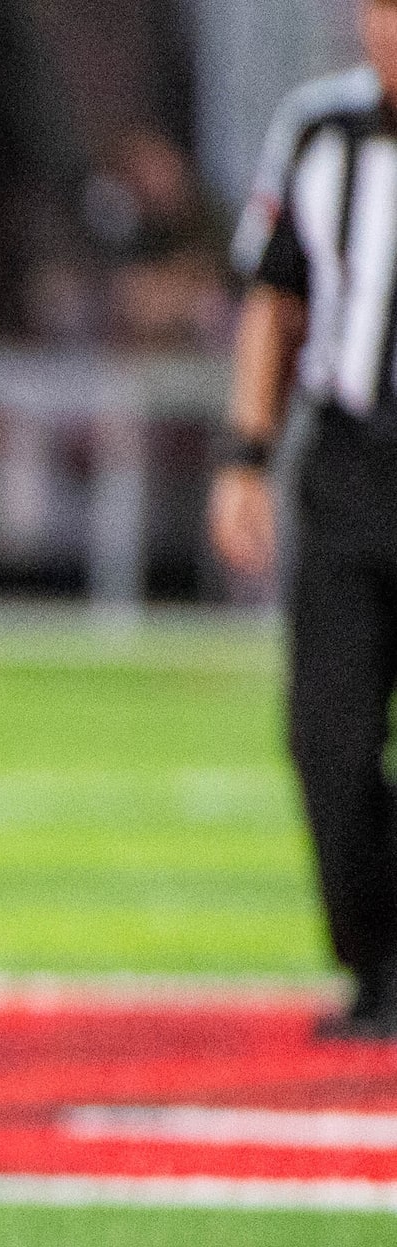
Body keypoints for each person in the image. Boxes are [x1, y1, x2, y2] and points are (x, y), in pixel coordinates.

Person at [213, 1, 397, 1040]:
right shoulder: (318, 131)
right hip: (348, 463)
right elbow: (273, 301)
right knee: (325, 737)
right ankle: (369, 961)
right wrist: (244, 455)